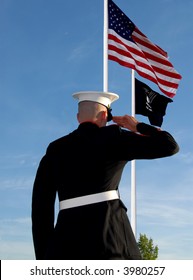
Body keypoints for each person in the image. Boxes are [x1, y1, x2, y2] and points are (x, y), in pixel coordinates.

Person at [32, 91, 179, 260]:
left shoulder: (55, 149)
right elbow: (169, 145)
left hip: (65, 245)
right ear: (104, 115)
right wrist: (137, 126)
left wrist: (45, 258)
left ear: (78, 117)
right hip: (112, 240)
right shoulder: (115, 137)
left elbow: (40, 210)